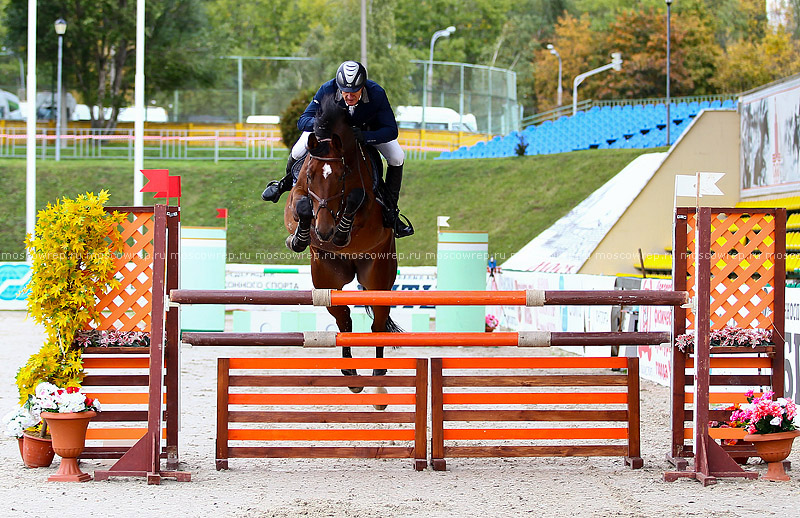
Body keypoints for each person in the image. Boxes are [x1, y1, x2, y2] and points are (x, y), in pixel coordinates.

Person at [261, 60, 414, 238]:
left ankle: (390, 211)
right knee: (297, 150)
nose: (349, 96)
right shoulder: (327, 89)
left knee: (397, 156)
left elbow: (391, 130)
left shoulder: (377, 93)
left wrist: (366, 136)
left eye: (354, 92)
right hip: (328, 134)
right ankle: (286, 184)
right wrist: (325, 125)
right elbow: (303, 120)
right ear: (339, 86)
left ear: (363, 86)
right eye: (345, 91)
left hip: (365, 133)